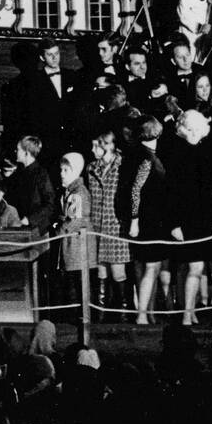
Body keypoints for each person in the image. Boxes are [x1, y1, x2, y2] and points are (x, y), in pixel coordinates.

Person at [166, 109, 212, 326]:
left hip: (202, 219)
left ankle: (191, 309)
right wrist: (174, 223)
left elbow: (210, 189)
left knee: (195, 267)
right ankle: (187, 312)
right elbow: (171, 191)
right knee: (193, 267)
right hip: (185, 219)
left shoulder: (203, 150)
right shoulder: (178, 152)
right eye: (191, 129)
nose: (195, 132)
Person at [128, 117, 170, 325]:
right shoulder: (146, 158)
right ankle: (142, 314)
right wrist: (134, 219)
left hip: (152, 218)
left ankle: (148, 312)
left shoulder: (145, 154)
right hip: (148, 220)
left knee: (152, 267)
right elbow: (136, 191)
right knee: (152, 267)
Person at [87, 130, 130, 313]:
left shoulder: (122, 166)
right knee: (101, 270)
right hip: (97, 224)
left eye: (102, 143)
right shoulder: (91, 168)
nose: (97, 148)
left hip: (115, 224)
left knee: (118, 270)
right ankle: (101, 310)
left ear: (113, 146)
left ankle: (123, 310)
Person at [57, 153, 92, 309]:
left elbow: (73, 222)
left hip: (77, 248)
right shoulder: (69, 192)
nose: (61, 174)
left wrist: (58, 229)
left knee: (75, 286)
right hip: (71, 247)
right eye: (61, 170)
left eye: (66, 170)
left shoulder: (78, 194)